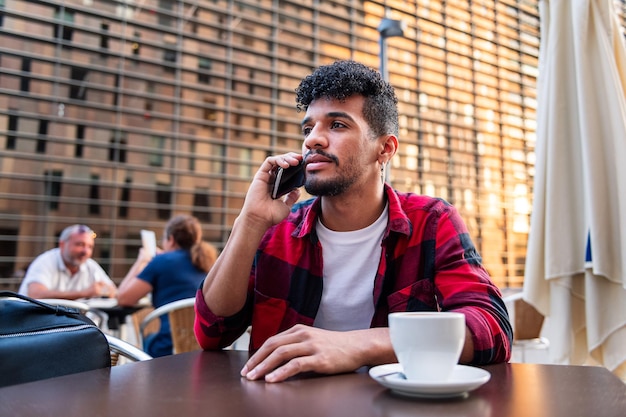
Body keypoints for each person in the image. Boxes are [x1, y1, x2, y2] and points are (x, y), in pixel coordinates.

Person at [194, 60, 513, 382]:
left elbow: (491, 328)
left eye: (337, 125)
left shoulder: (431, 221)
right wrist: (250, 221)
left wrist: (357, 345)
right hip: (284, 401)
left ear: (385, 149)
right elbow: (212, 332)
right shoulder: (275, 227)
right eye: (308, 128)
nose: (312, 141)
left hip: (395, 404)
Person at [117, 215, 217, 357]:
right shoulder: (208, 262)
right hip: (206, 346)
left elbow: (123, 298)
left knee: (148, 338)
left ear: (171, 239)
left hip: (169, 348)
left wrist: (142, 260)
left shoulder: (161, 261)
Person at [18, 224, 116, 300]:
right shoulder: (45, 261)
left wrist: (105, 291)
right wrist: (84, 293)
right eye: (80, 244)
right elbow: (35, 294)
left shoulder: (90, 266)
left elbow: (113, 291)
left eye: (90, 247)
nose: (85, 251)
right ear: (62, 244)